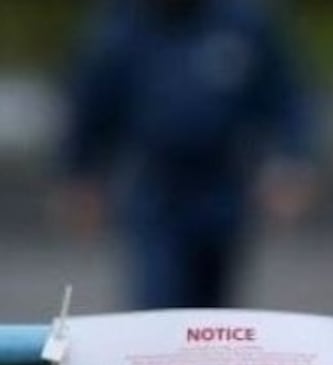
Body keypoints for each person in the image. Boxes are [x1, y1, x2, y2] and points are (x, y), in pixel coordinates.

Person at [61, 0, 315, 309]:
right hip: (157, 191)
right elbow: (90, 107)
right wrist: (80, 175)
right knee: (158, 303)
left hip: (224, 184)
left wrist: (291, 161)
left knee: (213, 313)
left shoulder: (244, 22)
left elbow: (286, 97)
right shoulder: (120, 26)